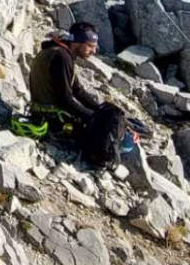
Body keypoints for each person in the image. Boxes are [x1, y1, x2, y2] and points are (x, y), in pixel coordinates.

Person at [26, 22, 129, 167]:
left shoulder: (61, 53)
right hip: (51, 118)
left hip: (45, 111)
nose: (93, 51)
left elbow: (77, 90)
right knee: (106, 135)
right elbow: (65, 100)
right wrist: (94, 118)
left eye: (94, 46)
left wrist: (100, 110)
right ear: (77, 42)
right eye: (89, 45)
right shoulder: (61, 57)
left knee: (107, 119)